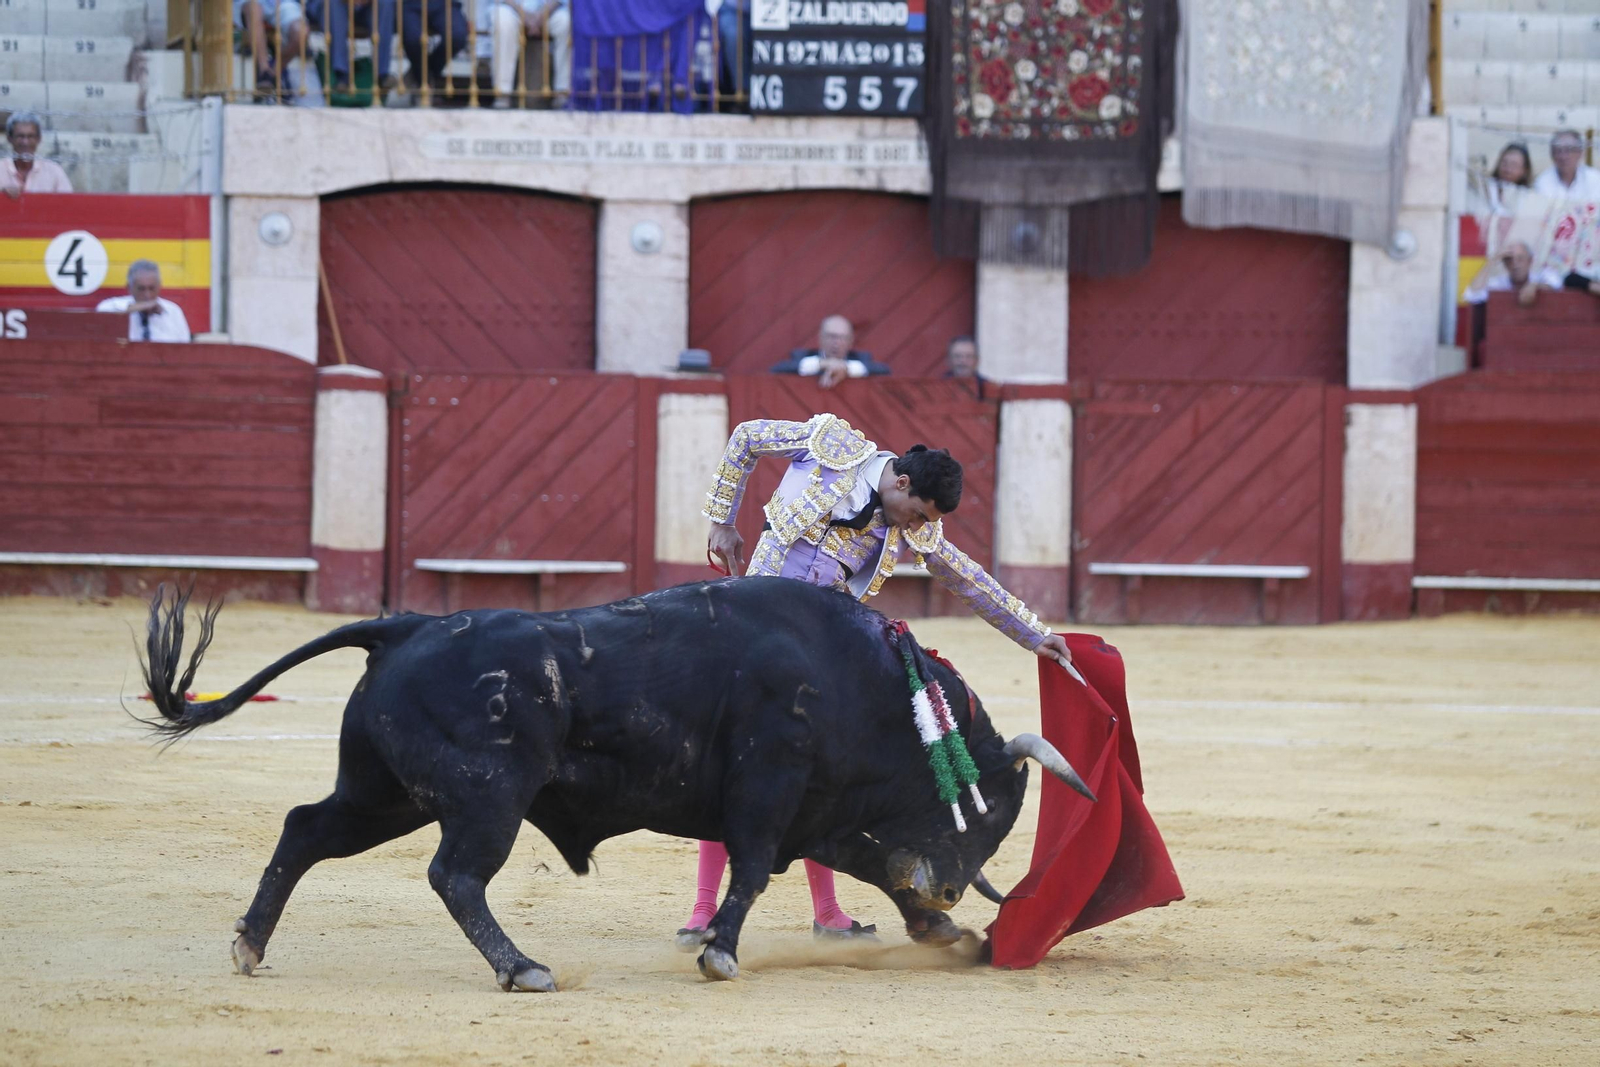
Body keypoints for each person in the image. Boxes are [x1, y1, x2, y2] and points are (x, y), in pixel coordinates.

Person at [680, 413, 1078, 946]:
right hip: (757, 624)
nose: (914, 528)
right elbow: (748, 436)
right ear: (901, 482)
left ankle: (829, 913)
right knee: (735, 756)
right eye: (914, 514)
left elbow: (966, 577)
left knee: (817, 768)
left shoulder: (912, 521)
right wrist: (721, 518)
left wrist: (1034, 634)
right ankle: (704, 910)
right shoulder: (832, 444)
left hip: (822, 644)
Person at [477, 0, 571, 107]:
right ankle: (502, 93)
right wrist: (525, 16)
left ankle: (563, 92)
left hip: (550, 11)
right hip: (510, 8)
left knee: (566, 22)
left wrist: (541, 16)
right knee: (503, 21)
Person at [236, 0, 325, 104]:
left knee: (301, 33)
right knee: (253, 8)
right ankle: (264, 70)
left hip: (283, 3)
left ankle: (271, 74)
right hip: (249, 3)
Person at [307, 0, 398, 100]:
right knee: (332, 4)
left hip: (366, 6)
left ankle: (382, 76)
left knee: (385, 3)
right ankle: (341, 75)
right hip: (333, 5)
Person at [769, 315, 891, 388]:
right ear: (820, 338)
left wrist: (845, 368)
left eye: (842, 338)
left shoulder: (862, 358)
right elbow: (777, 369)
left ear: (850, 341)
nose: (836, 343)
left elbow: (884, 370)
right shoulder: (802, 356)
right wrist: (822, 364)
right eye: (831, 336)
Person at [96, 260, 192, 343]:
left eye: (152, 288)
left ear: (159, 286)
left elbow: (184, 350)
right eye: (141, 289)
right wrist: (137, 308)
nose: (147, 295)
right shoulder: (112, 306)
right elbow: (103, 319)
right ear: (129, 287)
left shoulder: (172, 311)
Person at [401, 0, 471, 97]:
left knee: (457, 36)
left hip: (444, 4)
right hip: (410, 4)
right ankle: (422, 80)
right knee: (413, 40)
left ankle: (419, 75)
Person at [1464, 241, 1561, 307]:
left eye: (1520, 259)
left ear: (1530, 261)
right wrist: (1492, 260)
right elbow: (1471, 295)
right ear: (1505, 265)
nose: (1515, 265)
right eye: (1509, 260)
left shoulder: (1541, 276)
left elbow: (1557, 285)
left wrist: (1535, 286)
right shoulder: (1499, 283)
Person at [2, 112, 73, 197]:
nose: (25, 142)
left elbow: (68, 204)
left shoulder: (54, 172)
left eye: (31, 136)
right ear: (9, 138)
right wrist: (2, 195)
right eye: (20, 136)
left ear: (39, 139)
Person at [1532, 130, 1600, 202]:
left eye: (1569, 150)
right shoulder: (1543, 181)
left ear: (1580, 153)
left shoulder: (1594, 179)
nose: (1563, 156)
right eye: (1558, 151)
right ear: (1552, 155)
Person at [1478, 143, 1532, 216]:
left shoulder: (1528, 198)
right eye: (1504, 163)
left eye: (1514, 165)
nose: (1508, 169)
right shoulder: (1486, 189)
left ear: (1524, 170)